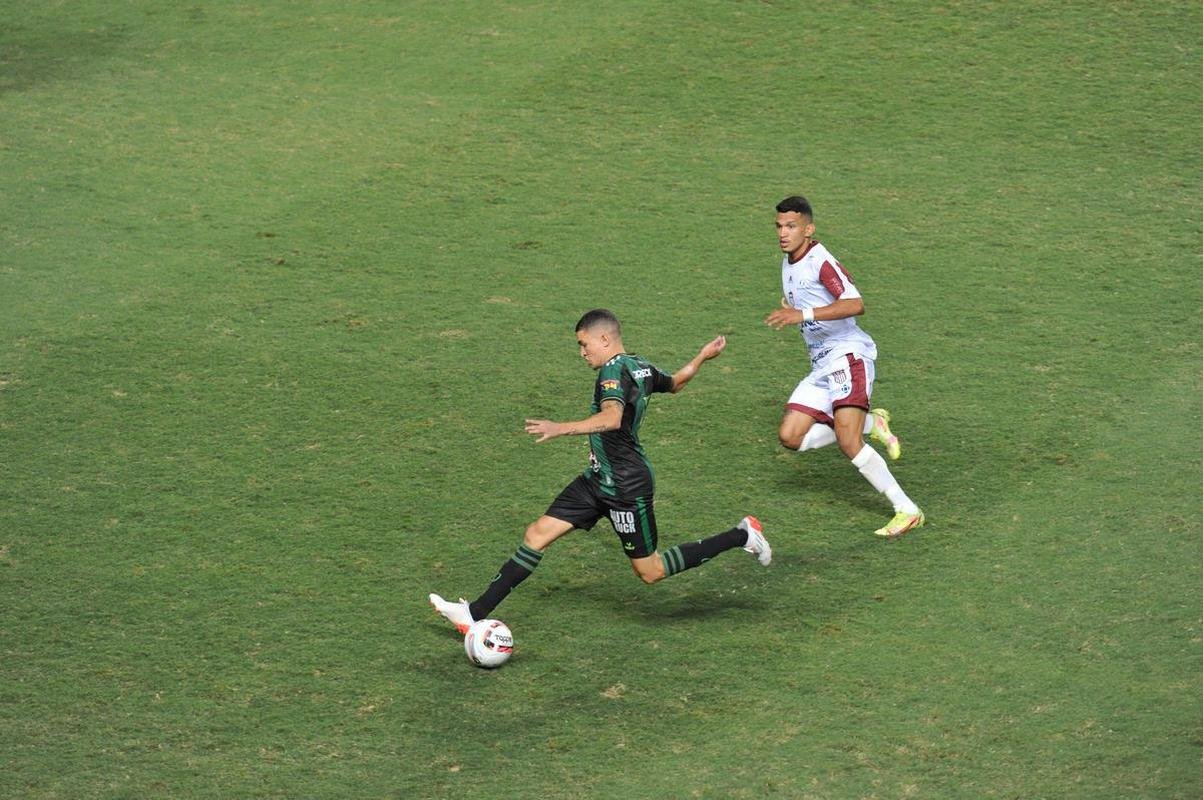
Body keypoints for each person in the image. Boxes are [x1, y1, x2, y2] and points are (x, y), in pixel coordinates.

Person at [430, 308, 770, 632]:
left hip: (626, 486)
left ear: (604, 339)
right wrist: (701, 357)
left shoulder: (612, 372)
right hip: (597, 479)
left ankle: (742, 535)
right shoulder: (640, 366)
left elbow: (612, 418)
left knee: (651, 571)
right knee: (536, 534)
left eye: (583, 343)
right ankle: (473, 613)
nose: (581, 352)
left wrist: (559, 428)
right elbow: (677, 382)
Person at [764, 195, 925, 537]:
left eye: (791, 226)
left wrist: (802, 314)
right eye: (779, 226)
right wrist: (797, 308)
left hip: (847, 356)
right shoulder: (788, 263)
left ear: (809, 229)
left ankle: (906, 509)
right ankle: (872, 422)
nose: (783, 233)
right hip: (820, 363)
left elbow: (855, 303)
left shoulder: (820, 261)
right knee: (790, 436)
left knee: (847, 440)